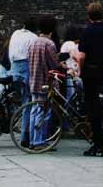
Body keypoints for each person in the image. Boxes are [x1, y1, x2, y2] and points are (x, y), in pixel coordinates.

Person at [78, 2, 103, 157]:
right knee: (102, 103)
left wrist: (81, 70)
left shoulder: (87, 32)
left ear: (89, 15)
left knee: (92, 107)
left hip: (91, 71)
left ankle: (98, 144)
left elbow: (82, 56)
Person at [27, 16, 64, 150]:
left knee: (34, 110)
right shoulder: (49, 44)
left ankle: (32, 140)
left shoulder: (33, 42)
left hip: (33, 81)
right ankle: (39, 141)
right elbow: (54, 63)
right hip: (45, 83)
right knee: (44, 113)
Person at [8, 17, 38, 147]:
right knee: (28, 102)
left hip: (14, 67)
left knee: (16, 98)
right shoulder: (34, 38)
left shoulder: (15, 33)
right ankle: (25, 135)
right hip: (26, 66)